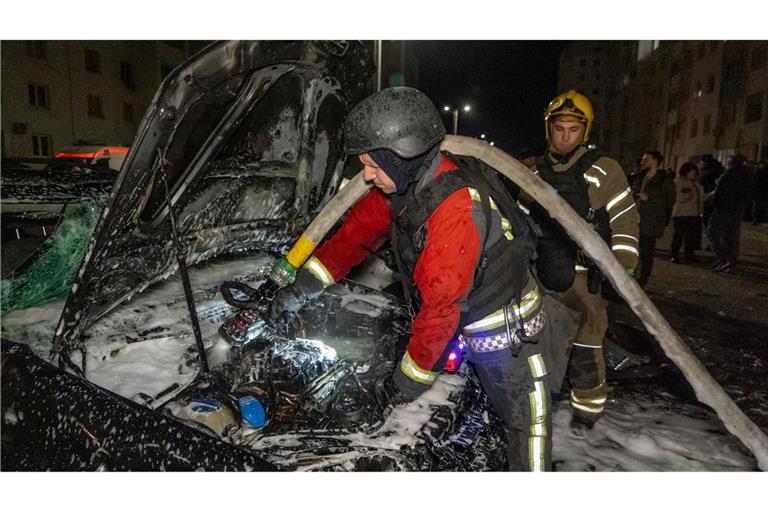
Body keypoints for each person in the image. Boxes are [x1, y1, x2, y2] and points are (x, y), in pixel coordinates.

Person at [268, 87, 567, 471]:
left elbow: (441, 311)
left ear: (402, 157)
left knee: (528, 426)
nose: (367, 176)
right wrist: (300, 289)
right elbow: (351, 239)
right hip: (462, 317)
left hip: (507, 335)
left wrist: (403, 385)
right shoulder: (402, 186)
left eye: (373, 165)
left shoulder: (455, 209)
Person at [527, 90, 640, 428]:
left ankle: (586, 415)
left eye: (573, 129)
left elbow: (625, 220)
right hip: (543, 274)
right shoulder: (534, 172)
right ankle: (537, 406)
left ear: (585, 130)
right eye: (559, 128)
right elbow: (520, 220)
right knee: (537, 346)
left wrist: (622, 268)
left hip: (583, 279)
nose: (565, 137)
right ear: (549, 128)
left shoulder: (603, 170)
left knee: (586, 351)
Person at [632, 151, 676, 287]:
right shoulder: (641, 176)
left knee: (646, 251)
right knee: (633, 249)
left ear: (655, 161)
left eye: (646, 159)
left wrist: (649, 198)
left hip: (651, 220)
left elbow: (670, 200)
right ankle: (632, 275)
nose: (643, 162)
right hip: (637, 218)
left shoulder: (664, 179)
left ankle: (643, 279)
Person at [707, 154, 751, 273]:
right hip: (737, 208)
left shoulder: (728, 175)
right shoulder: (747, 175)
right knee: (732, 235)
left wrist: (713, 203)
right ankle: (729, 260)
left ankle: (724, 258)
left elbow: (719, 192)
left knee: (713, 232)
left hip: (723, 208)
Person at [670, 162, 704, 263]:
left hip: (694, 213)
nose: (694, 175)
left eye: (695, 173)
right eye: (692, 172)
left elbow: (701, 197)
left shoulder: (696, 184)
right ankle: (674, 254)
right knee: (679, 235)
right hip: (681, 213)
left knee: (690, 236)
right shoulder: (679, 183)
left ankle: (689, 254)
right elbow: (678, 197)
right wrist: (686, 196)